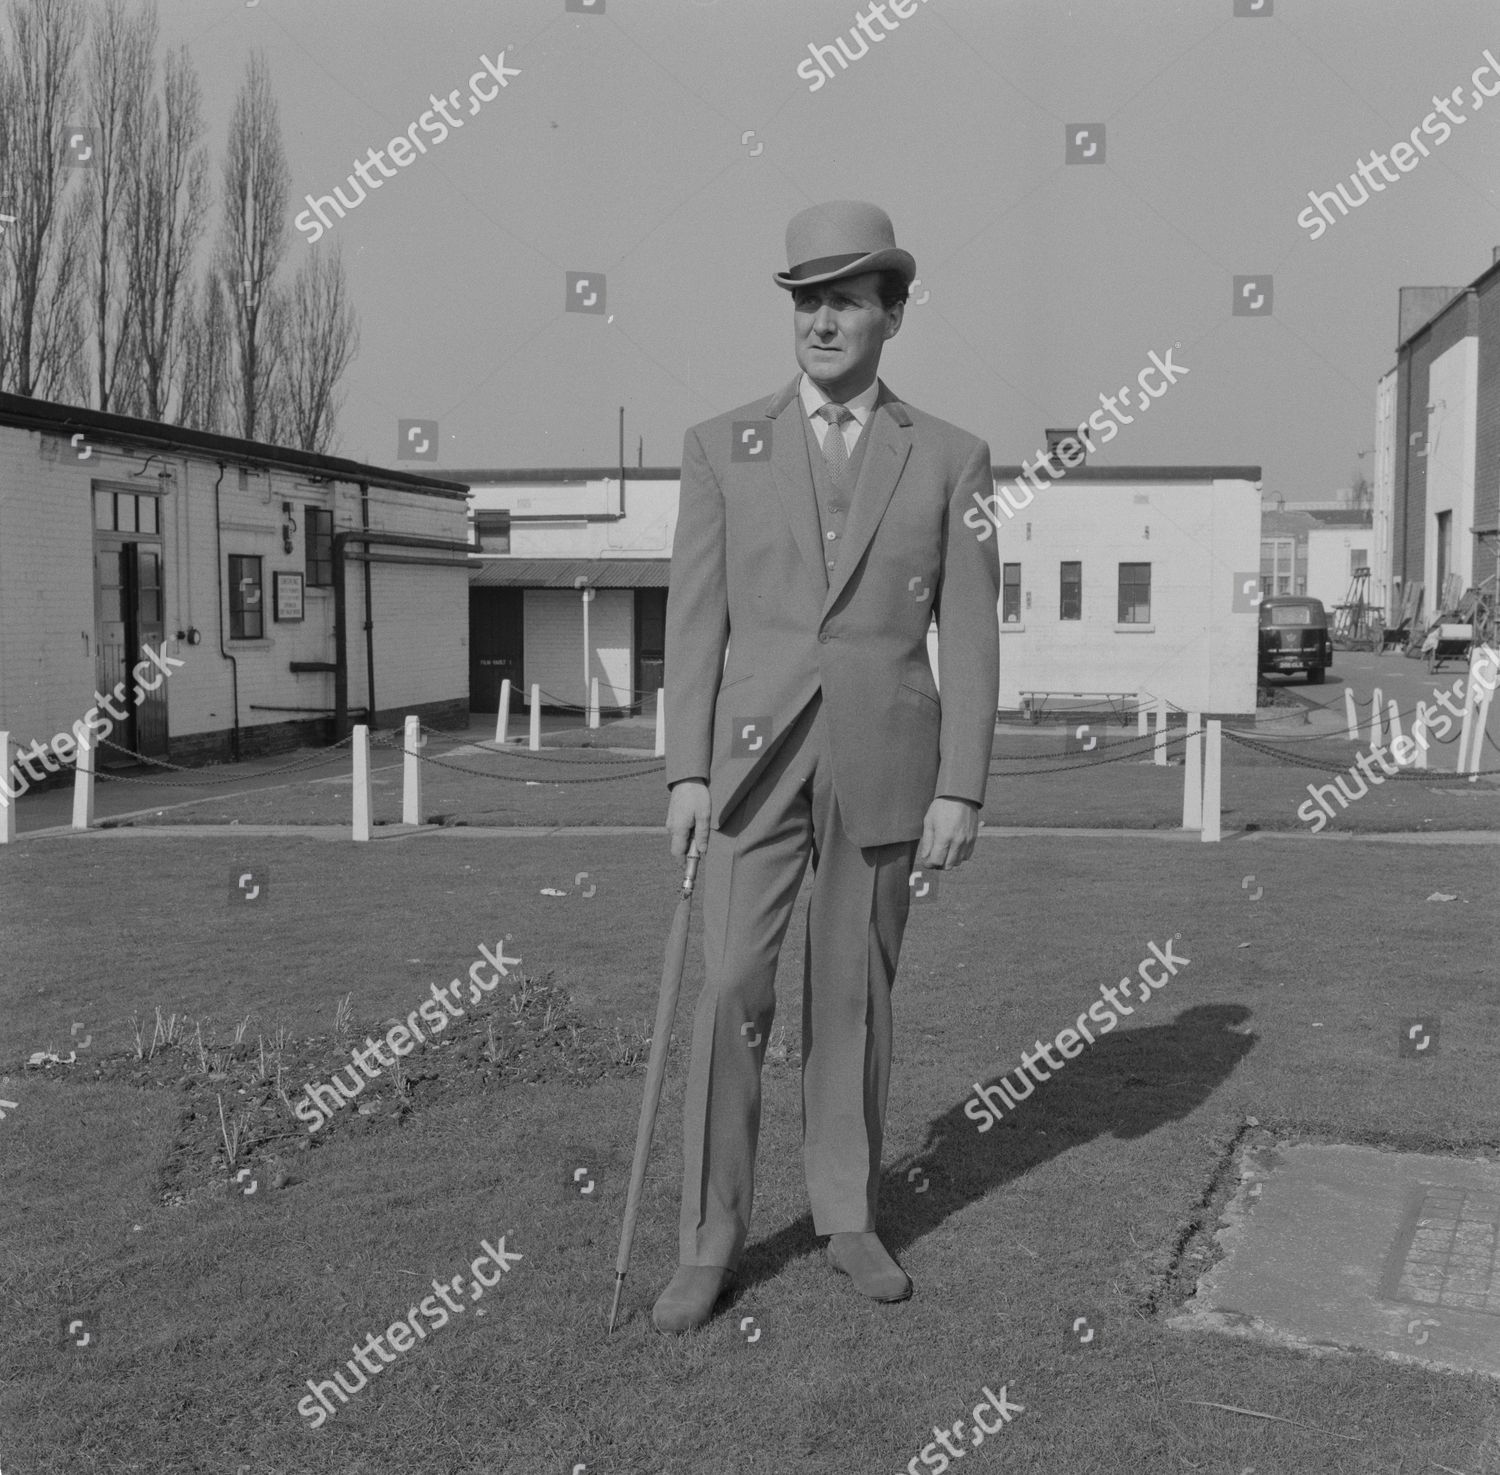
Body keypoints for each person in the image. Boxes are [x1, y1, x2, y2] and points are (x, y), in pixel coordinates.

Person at [654, 200, 1000, 1332]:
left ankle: (847, 1212)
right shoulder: (719, 446)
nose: (822, 319)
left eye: (847, 298)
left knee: (852, 994)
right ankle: (710, 1239)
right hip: (748, 764)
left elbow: (975, 630)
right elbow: (694, 625)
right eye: (807, 298)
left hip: (887, 758)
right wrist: (685, 774)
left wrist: (961, 782)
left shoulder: (955, 458)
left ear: (893, 313)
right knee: (729, 992)